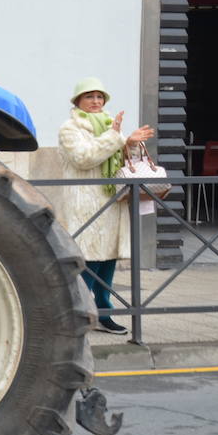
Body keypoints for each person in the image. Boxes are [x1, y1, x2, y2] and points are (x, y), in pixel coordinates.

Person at [54, 77, 154, 335]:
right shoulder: (70, 128)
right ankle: (79, 311)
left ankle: (104, 308)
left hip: (111, 200)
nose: (96, 102)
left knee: (108, 256)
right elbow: (84, 158)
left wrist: (130, 144)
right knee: (87, 257)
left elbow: (122, 160)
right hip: (85, 202)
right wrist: (116, 137)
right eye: (90, 97)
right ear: (78, 101)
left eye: (100, 97)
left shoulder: (111, 125)